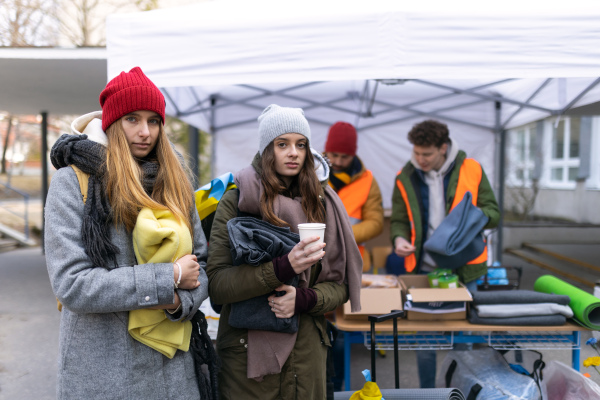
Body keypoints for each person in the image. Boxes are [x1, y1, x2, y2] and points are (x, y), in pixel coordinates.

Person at [45, 66, 210, 399]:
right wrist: (168, 279)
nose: (145, 131)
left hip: (172, 371)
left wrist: (180, 302)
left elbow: (202, 265)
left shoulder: (174, 179)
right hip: (103, 373)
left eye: (153, 120)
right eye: (132, 119)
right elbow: (72, 285)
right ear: (111, 123)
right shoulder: (73, 182)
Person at [206, 104, 363, 399]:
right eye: (283, 144)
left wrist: (304, 298)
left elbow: (340, 285)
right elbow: (217, 286)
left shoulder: (322, 202)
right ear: (268, 149)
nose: (293, 152)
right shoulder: (238, 201)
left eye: (301, 144)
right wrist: (282, 268)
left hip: (306, 358)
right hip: (247, 360)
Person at [390, 119, 500, 388]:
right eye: (416, 153)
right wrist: (399, 238)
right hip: (424, 268)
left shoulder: (472, 169)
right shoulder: (405, 176)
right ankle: (427, 393)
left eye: (426, 154)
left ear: (443, 148)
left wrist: (470, 221)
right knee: (424, 338)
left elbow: (493, 214)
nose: (420, 159)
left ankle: (463, 390)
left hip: (466, 268)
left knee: (464, 337)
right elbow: (399, 220)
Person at [323, 121, 384, 392]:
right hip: (318, 263)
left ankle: (337, 388)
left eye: (343, 156)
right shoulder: (312, 172)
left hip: (350, 266)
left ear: (353, 154)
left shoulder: (368, 181)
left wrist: (342, 235)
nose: (336, 161)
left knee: (342, 332)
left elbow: (376, 222)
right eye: (332, 154)